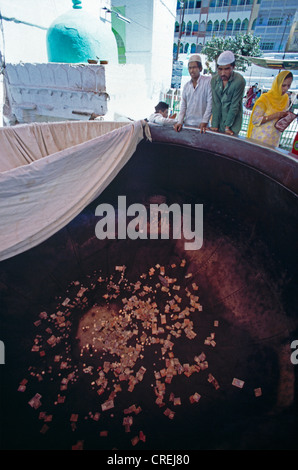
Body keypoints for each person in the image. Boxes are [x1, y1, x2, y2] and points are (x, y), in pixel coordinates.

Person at [246, 70, 293, 147]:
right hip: (260, 139)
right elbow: (255, 120)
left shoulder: (286, 98)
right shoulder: (265, 99)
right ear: (277, 84)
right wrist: (275, 115)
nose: (286, 89)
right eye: (283, 85)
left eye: (288, 86)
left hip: (274, 139)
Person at [210, 50, 246, 136]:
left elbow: (234, 105)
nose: (222, 73)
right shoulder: (214, 80)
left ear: (233, 67)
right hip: (218, 122)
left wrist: (227, 127)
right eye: (220, 69)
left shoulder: (239, 81)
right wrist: (214, 124)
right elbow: (216, 103)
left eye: (226, 69)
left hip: (232, 124)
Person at [174, 54, 212, 133]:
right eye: (190, 68)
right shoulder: (186, 86)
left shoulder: (207, 82)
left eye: (194, 67)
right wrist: (180, 122)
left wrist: (205, 121)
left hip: (202, 126)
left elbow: (210, 104)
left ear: (200, 68)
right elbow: (183, 106)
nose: (192, 70)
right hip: (188, 124)